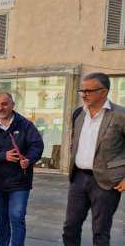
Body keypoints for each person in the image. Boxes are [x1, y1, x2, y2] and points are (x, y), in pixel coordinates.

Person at [62, 72, 125, 246]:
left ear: (104, 92)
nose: (84, 94)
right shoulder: (78, 114)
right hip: (78, 179)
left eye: (89, 91)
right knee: (70, 228)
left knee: (100, 231)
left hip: (106, 181)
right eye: (82, 90)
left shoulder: (120, 115)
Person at [0, 92, 44, 246]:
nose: (1, 108)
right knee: (1, 217)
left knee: (17, 216)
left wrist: (29, 159)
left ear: (12, 105)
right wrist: (2, 156)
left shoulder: (25, 125)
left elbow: (37, 145)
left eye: (4, 104)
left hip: (20, 182)